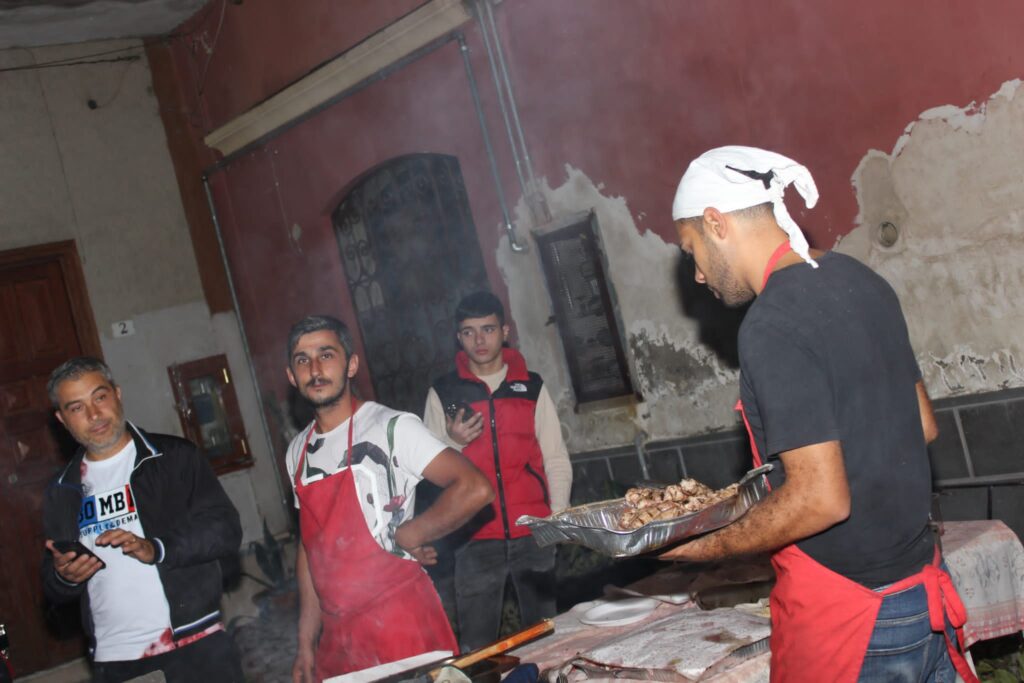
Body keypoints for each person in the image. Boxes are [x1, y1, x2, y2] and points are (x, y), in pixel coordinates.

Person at [662, 146, 977, 683]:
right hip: (920, 590)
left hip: (854, 619)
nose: (695, 275)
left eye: (691, 250)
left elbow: (821, 498)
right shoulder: (861, 279)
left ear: (717, 223)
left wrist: (703, 546)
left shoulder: (770, 325)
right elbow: (922, 424)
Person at [284, 315, 493, 682]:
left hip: (403, 630)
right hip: (340, 643)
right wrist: (305, 641)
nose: (315, 368)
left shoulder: (392, 427)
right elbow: (310, 547)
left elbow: (474, 487)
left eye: (326, 355)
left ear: (350, 364)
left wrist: (413, 532)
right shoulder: (297, 452)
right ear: (291, 375)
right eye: (303, 360)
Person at [41, 357, 244, 683]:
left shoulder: (173, 458)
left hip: (194, 643)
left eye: (100, 397)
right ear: (62, 419)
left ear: (118, 395)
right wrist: (65, 575)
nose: (94, 415)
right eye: (77, 407)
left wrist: (157, 548)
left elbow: (225, 529)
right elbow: (52, 586)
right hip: (116, 659)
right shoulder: (63, 488)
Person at [423, 292, 572, 651]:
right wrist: (454, 443)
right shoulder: (443, 393)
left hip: (533, 529)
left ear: (504, 331)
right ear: (459, 338)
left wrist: (559, 518)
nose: (479, 340)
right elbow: (427, 470)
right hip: (473, 536)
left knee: (545, 637)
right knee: (479, 646)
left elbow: (555, 456)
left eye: (488, 329)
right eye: (469, 332)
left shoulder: (531, 386)